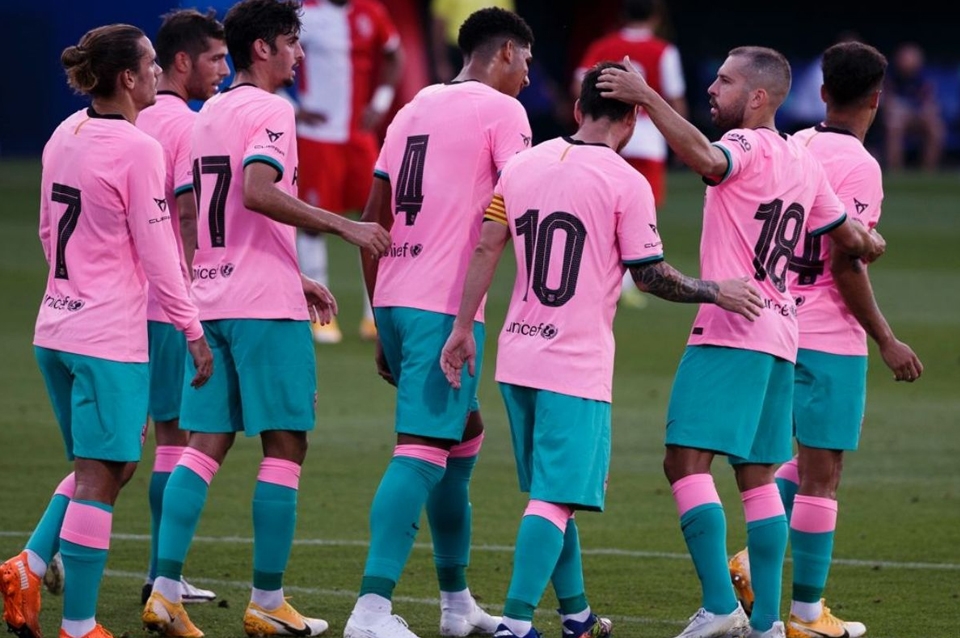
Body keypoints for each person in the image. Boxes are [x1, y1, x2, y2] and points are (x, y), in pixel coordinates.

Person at [438, 61, 764, 638]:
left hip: (517, 355)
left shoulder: (521, 165)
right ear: (634, 119)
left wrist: (463, 327)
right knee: (554, 499)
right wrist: (717, 291)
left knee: (551, 494)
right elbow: (651, 275)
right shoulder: (626, 182)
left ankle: (577, 617)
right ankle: (515, 623)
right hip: (574, 363)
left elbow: (487, 247)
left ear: (577, 109)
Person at [597, 46, 886, 638]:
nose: (712, 88)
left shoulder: (749, 144)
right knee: (757, 477)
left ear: (757, 97)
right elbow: (846, 232)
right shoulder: (802, 161)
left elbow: (707, 158)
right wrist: (870, 242)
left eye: (724, 82)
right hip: (781, 332)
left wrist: (647, 97)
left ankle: (720, 607)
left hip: (732, 326)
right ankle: (768, 624)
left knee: (684, 461)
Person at [139, 1, 390, 637]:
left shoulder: (209, 113)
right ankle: (268, 601)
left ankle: (164, 590)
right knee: (286, 444)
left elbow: (206, 210)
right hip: (261, 309)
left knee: (204, 445)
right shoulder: (272, 111)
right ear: (264, 49)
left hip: (213, 296)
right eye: (291, 43)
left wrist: (292, 273)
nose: (300, 55)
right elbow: (255, 190)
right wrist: (346, 227)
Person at [0, 23, 213, 638]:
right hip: (106, 340)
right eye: (150, 65)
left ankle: (29, 564)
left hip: (55, 329)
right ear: (127, 77)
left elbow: (48, 231)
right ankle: (80, 626)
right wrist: (192, 329)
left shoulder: (63, 133)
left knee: (108, 467)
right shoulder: (140, 149)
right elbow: (160, 253)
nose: (157, 74)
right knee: (101, 475)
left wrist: (72, 288)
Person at [344, 8, 534, 638]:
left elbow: (373, 218)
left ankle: (457, 604)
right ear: (504, 51)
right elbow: (521, 206)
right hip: (444, 307)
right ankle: (371, 610)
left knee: (463, 436)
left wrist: (381, 317)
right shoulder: (503, 112)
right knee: (422, 452)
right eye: (526, 61)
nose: (528, 77)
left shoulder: (412, 108)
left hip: (399, 298)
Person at [727, 41, 924, 638]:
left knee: (789, 462)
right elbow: (846, 261)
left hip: (776, 322)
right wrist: (886, 338)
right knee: (823, 473)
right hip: (828, 333)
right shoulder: (860, 165)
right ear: (877, 99)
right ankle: (809, 616)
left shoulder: (794, 143)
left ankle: (749, 560)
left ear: (822, 92)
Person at [134, 7, 230, 607]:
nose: (223, 70)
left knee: (130, 443)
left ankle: (157, 572)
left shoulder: (131, 117)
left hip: (122, 302)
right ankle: (159, 573)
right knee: (175, 439)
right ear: (181, 61)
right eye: (215, 59)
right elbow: (191, 216)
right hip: (167, 303)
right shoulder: (187, 126)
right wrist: (196, 296)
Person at [295, 0, 404, 344]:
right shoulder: (305, 11)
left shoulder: (371, 12)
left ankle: (375, 314)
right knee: (311, 221)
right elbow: (271, 53)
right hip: (317, 136)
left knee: (376, 215)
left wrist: (380, 103)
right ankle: (318, 316)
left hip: (358, 136)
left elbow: (394, 55)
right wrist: (293, 105)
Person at [573, 0, 688, 310]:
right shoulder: (663, 50)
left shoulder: (602, 46)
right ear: (656, 16)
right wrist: (682, 141)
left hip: (604, 135)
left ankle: (596, 275)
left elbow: (578, 84)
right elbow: (675, 98)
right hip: (647, 139)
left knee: (599, 208)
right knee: (637, 214)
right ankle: (625, 282)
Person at [881, 41, 946, 172]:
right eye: (904, 58)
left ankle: (928, 171)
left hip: (918, 116)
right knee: (893, 126)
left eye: (911, 59)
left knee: (936, 129)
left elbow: (931, 103)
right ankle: (896, 170)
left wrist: (926, 111)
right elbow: (886, 102)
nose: (907, 62)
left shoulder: (924, 77)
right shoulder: (890, 76)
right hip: (898, 118)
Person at [429, 0, 514, 83]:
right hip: (458, 53)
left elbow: (509, 25)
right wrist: (441, 63)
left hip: (491, 52)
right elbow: (438, 24)